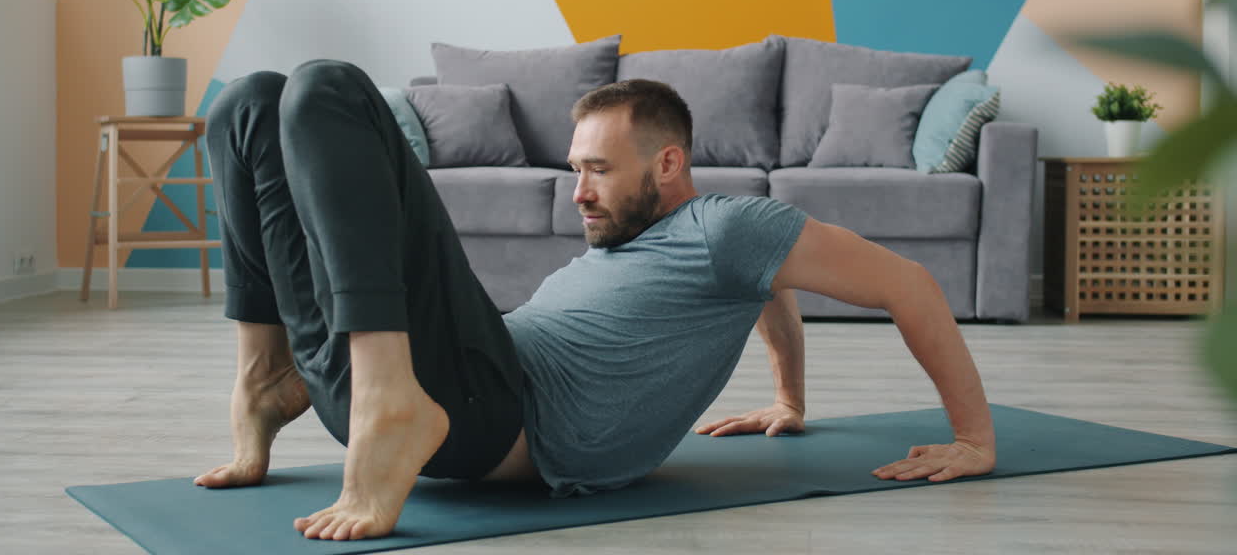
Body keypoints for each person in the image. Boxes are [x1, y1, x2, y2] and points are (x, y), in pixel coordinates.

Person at [194, 60, 997, 542]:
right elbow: (769, 279)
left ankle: (385, 399)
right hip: (439, 390)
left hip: (477, 409)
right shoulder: (715, 248)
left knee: (327, 90)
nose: (577, 192)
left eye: (598, 171)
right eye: (575, 168)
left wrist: (972, 437)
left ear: (669, 164)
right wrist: (787, 395)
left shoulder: (732, 225)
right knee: (246, 105)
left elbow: (907, 284)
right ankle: (270, 379)